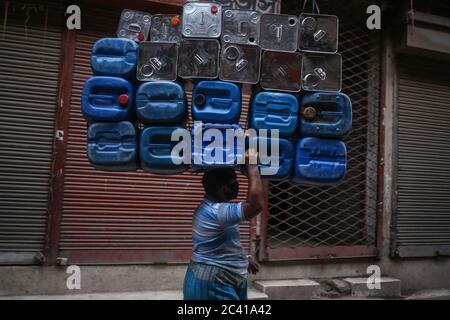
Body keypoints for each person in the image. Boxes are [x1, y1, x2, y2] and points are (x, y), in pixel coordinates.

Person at [183, 152, 264, 300]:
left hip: (221, 278)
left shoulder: (213, 209)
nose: (237, 186)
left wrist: (242, 258)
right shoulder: (216, 212)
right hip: (212, 283)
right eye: (233, 183)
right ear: (222, 188)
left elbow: (220, 244)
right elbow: (255, 205)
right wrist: (252, 167)